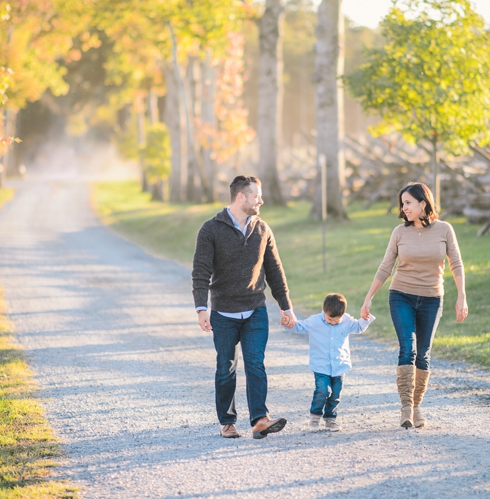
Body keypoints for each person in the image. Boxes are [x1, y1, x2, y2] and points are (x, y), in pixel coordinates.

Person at [192, 175, 297, 439]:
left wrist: (286, 307)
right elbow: (200, 272)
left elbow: (275, 271)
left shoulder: (263, 229)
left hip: (255, 310)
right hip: (223, 312)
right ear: (241, 197)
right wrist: (201, 308)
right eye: (256, 195)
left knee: (255, 364)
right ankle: (227, 422)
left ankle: (260, 419)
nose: (261, 200)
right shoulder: (210, 229)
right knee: (225, 369)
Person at [360, 182, 467, 429]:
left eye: (408, 203)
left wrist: (461, 296)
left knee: (424, 353)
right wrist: (368, 297)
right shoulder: (399, 232)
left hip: (432, 298)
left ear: (423, 203)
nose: (404, 208)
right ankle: (406, 408)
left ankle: (417, 407)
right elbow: (386, 266)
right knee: (407, 348)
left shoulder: (445, 229)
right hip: (401, 295)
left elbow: (457, 264)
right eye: (402, 203)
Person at [288, 293, 374, 432]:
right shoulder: (314, 321)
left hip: (339, 366)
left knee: (335, 394)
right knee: (322, 390)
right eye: (329, 319)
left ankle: (330, 419)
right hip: (321, 366)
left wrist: (365, 318)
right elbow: (300, 327)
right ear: (324, 310)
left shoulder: (347, 321)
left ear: (343, 314)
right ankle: (315, 418)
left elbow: (358, 327)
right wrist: (289, 323)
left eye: (337, 320)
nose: (333, 322)